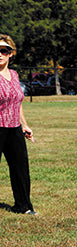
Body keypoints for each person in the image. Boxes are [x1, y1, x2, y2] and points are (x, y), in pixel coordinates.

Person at [0, 34, 36, 215]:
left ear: (10, 53)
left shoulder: (14, 75)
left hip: (14, 129)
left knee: (20, 169)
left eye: (3, 51)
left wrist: (25, 125)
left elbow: (17, 102)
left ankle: (23, 206)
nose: (0, 54)